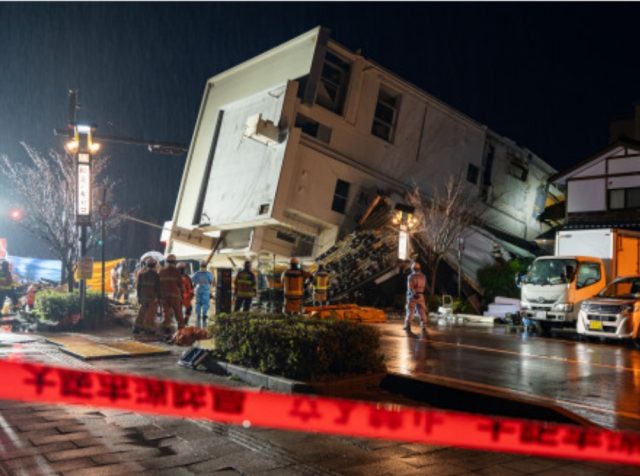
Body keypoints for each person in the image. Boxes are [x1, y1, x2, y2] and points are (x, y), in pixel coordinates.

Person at [133, 258, 161, 336]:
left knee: (141, 312)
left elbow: (138, 287)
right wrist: (159, 297)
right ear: (154, 265)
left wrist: (139, 297)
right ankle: (148, 329)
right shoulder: (156, 275)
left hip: (143, 298)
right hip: (152, 298)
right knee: (151, 314)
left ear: (146, 265)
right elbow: (158, 287)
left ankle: (137, 328)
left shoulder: (141, 274)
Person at [158, 254, 184, 335]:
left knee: (166, 313)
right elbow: (180, 284)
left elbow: (158, 284)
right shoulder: (177, 271)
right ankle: (181, 330)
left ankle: (167, 329)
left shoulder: (161, 271)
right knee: (178, 313)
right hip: (175, 296)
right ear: (174, 262)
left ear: (166, 261)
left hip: (164, 296)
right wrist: (182, 295)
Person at [404, 261, 428, 333]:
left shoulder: (411, 276)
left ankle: (407, 325)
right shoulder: (423, 276)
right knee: (422, 311)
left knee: (410, 310)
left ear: (412, 269)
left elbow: (410, 287)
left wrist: (413, 294)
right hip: (421, 295)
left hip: (413, 296)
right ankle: (424, 325)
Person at [191, 260, 214, 328]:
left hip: (198, 290)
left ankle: (198, 315)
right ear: (206, 266)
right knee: (205, 303)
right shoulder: (208, 274)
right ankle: (204, 315)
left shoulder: (197, 273)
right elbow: (211, 281)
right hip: (205, 290)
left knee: (198, 303)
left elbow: (193, 282)